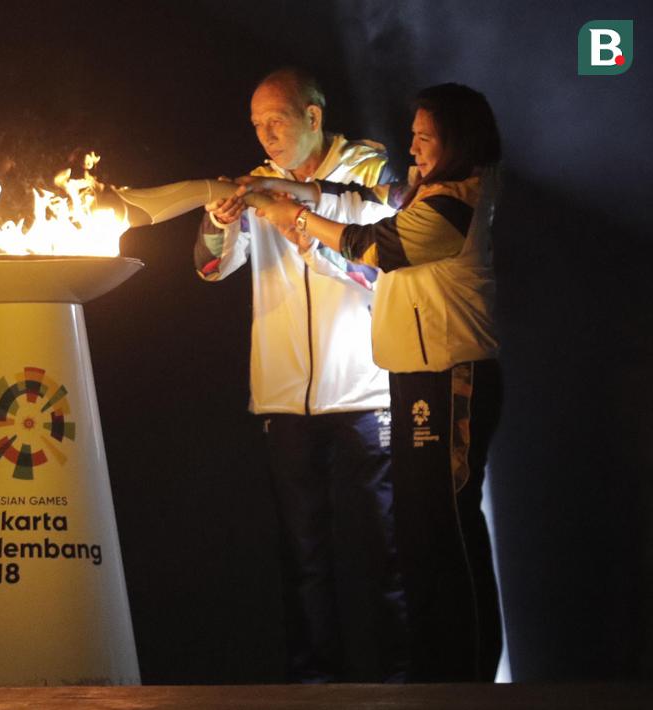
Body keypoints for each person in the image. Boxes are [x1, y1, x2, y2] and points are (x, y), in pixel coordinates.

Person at [243, 82, 503, 682]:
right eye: (412, 134)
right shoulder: (421, 191)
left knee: (449, 528)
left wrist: (298, 217)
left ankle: (470, 675)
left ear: (457, 141)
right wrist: (288, 191)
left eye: (425, 137)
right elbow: (359, 195)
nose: (411, 146)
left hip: (453, 378)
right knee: (417, 531)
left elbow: (372, 244)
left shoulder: (455, 201)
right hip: (412, 378)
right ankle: (438, 671)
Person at [195, 67, 407, 683]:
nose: (265, 135)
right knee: (304, 557)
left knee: (387, 551)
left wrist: (303, 229)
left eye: (276, 121)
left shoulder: (369, 172)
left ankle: (405, 681)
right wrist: (221, 219)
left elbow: (385, 269)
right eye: (257, 125)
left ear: (314, 117)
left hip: (368, 393)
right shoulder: (255, 184)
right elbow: (211, 270)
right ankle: (314, 687)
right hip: (286, 401)